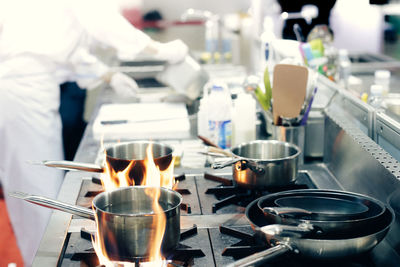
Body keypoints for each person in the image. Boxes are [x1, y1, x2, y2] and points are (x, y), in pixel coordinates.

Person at [0, 0, 188, 265]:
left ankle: (42, 258)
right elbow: (103, 22)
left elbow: (63, 50)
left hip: (32, 91)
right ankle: (43, 260)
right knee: (40, 193)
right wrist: (157, 49)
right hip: (23, 94)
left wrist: (106, 74)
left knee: (40, 188)